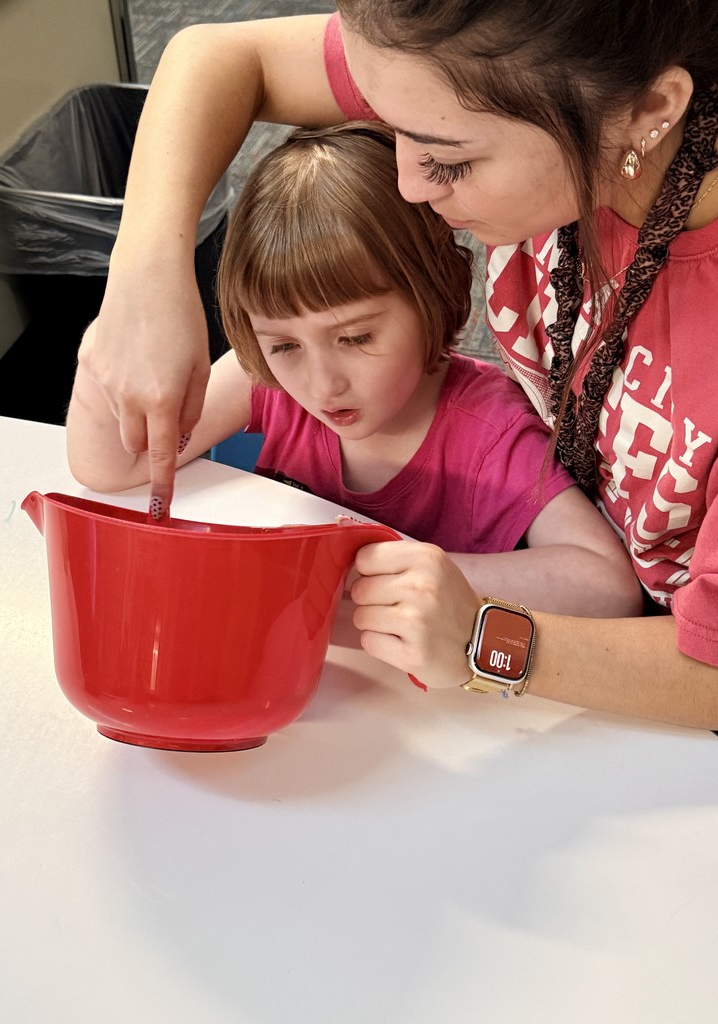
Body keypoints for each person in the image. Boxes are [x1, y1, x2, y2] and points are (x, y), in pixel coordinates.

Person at [75, 1, 718, 727]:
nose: (409, 185)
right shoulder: (513, 71)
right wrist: (142, 273)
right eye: (387, 122)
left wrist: (484, 639)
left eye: (451, 159)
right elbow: (217, 56)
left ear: (648, 109)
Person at [67, 122, 641, 620]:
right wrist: (113, 333)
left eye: (356, 337)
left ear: (434, 297)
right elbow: (110, 465)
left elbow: (606, 586)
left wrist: (406, 574)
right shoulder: (267, 383)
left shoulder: (488, 429)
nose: (322, 384)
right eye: (285, 345)